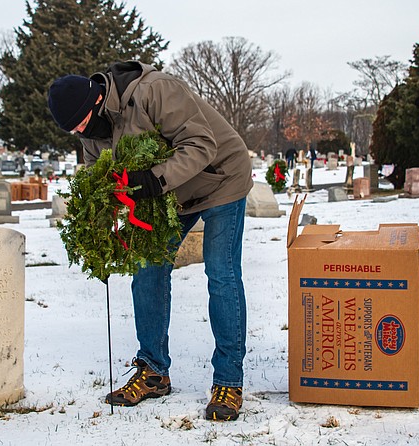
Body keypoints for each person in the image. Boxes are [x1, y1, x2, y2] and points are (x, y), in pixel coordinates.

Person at [48, 61, 253, 421]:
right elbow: (109, 180)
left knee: (221, 274)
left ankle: (228, 381)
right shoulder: (91, 134)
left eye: (82, 121)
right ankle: (154, 371)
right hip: (171, 195)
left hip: (220, 177)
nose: (82, 131)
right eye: (74, 130)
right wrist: (106, 216)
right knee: (147, 267)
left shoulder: (154, 90)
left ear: (96, 100)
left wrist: (152, 181)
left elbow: (201, 143)